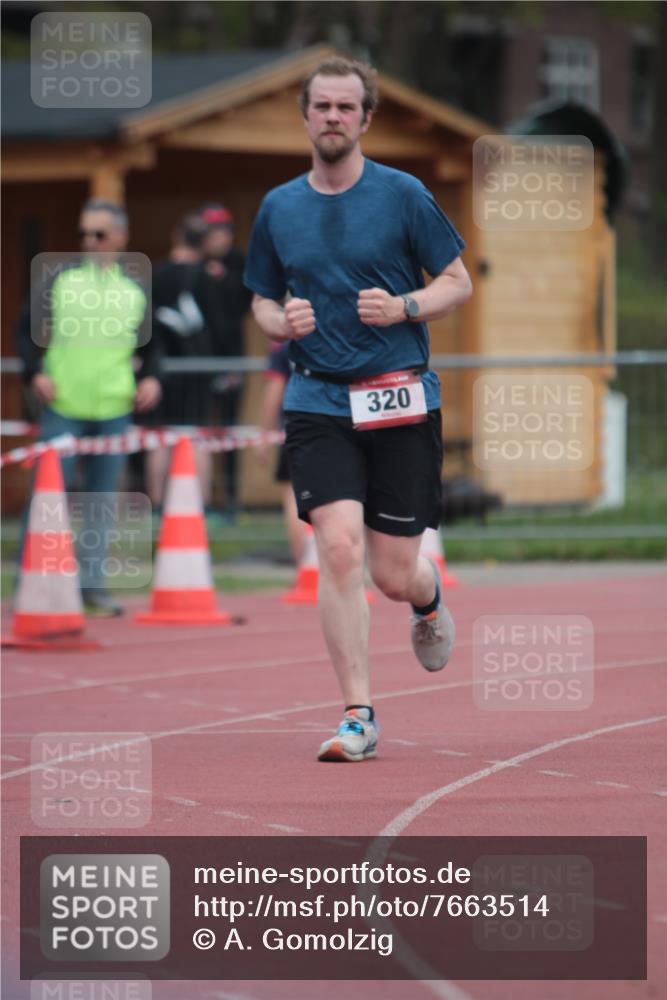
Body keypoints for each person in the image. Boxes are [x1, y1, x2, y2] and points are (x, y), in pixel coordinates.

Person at [244, 57, 472, 762]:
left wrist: (404, 305)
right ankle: (358, 714)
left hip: (397, 394)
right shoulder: (279, 207)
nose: (333, 118)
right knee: (336, 547)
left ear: (365, 119)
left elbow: (456, 283)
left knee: (391, 574)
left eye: (346, 107)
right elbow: (258, 297)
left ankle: (427, 598)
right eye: (322, 107)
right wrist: (279, 321)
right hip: (318, 397)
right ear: (306, 115)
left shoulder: (402, 195)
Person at [17, 198, 162, 616]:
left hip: (115, 409)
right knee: (47, 499)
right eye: (84, 233)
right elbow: (24, 332)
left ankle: (92, 587)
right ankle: (32, 580)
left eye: (98, 234)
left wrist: (152, 377)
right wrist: (33, 374)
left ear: (120, 237)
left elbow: (154, 348)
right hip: (63, 406)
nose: (89, 241)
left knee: (102, 501)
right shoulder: (58, 280)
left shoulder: (134, 290)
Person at [144, 212, 213, 508]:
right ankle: (202, 505)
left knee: (160, 437)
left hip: (161, 367)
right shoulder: (208, 276)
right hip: (199, 367)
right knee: (198, 436)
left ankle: (157, 504)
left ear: (176, 235)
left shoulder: (156, 274)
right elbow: (221, 324)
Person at [197, 204, 252, 520]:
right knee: (200, 428)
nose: (218, 239)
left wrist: (224, 280)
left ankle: (231, 497)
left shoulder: (240, 264)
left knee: (230, 428)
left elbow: (247, 303)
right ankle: (199, 500)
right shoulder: (194, 264)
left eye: (222, 232)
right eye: (211, 233)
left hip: (232, 357)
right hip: (198, 359)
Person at [256, 342, 307, 566]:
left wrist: (265, 434)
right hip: (334, 428)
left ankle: (304, 564)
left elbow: (274, 391)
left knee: (294, 497)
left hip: (295, 429)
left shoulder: (284, 349)